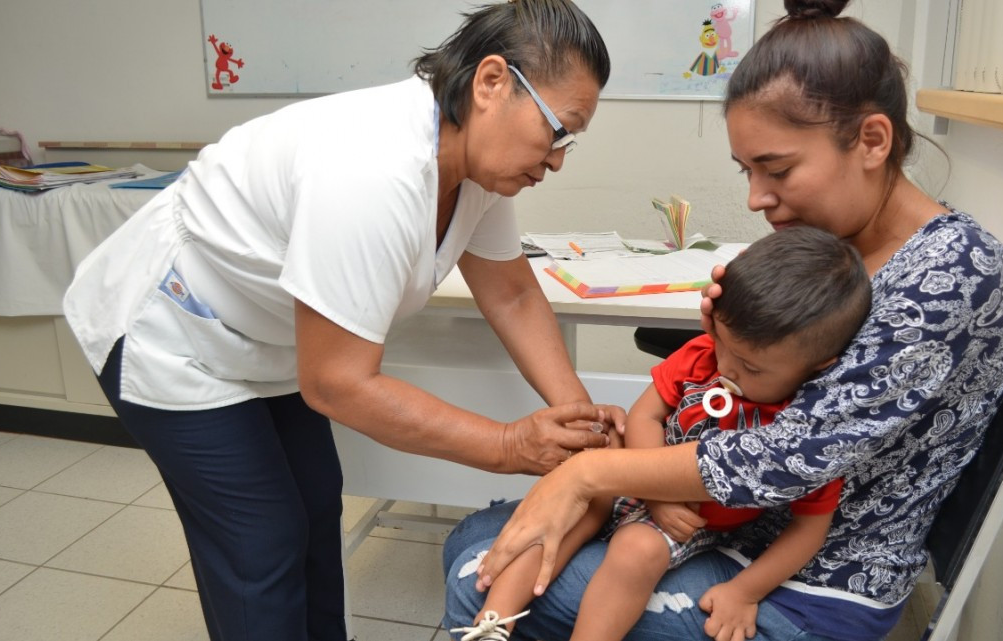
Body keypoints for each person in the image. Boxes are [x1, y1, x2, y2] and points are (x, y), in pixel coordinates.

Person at [442, 1, 1003, 639]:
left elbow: (786, 453)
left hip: (806, 580)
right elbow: (750, 397)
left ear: (873, 141)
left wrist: (590, 472)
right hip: (732, 523)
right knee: (484, 535)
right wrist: (725, 335)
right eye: (747, 172)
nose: (757, 199)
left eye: (776, 169)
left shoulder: (954, 269)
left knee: (481, 573)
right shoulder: (832, 248)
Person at [62, 2, 621, 640]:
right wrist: (509, 446)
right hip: (174, 331)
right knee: (261, 541)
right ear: (491, 82)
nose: (556, 160)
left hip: (271, 342)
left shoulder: (476, 165)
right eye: (558, 130)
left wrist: (578, 422)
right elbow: (339, 384)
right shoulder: (371, 169)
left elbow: (513, 293)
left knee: (316, 503)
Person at [450, 226, 871, 641]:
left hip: (690, 520)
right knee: (566, 514)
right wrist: (655, 493)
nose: (727, 367)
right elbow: (645, 416)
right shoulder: (702, 356)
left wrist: (745, 592)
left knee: (638, 550)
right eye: (722, 342)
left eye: (752, 367)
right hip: (641, 481)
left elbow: (808, 531)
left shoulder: (805, 424)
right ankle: (493, 623)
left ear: (819, 365)